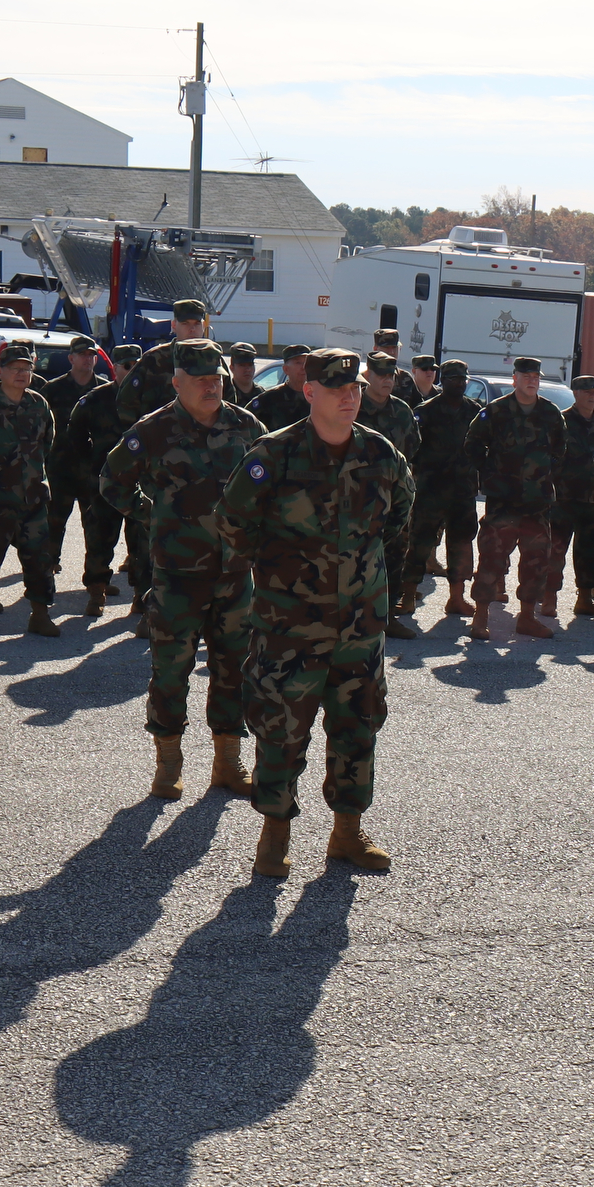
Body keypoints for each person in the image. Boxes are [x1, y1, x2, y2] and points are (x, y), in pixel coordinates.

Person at [216, 349, 409, 878]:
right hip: (290, 629)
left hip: (359, 630)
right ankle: (274, 834)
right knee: (281, 732)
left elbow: (398, 522)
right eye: (336, 387)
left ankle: (347, 834)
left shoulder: (381, 455)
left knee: (358, 726)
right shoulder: (273, 457)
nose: (350, 396)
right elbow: (233, 523)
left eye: (355, 388)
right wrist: (281, 575)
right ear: (309, 391)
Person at [98, 338, 265, 800]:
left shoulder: (246, 426)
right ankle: (168, 764)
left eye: (217, 379)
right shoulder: (152, 431)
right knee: (171, 671)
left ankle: (228, 763)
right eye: (201, 381)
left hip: (234, 578)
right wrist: (154, 515)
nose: (212, 388)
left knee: (234, 669)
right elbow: (112, 482)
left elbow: (273, 486)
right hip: (176, 577)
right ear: (177, 383)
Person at [462, 354, 566, 640]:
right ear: (515, 379)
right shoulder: (496, 411)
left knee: (536, 561)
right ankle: (481, 615)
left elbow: (560, 450)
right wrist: (490, 475)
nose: (532, 382)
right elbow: (472, 444)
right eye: (527, 377)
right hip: (503, 502)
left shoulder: (550, 413)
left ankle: (527, 617)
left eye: (536, 378)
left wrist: (543, 477)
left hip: (536, 503)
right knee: (492, 558)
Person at [0, 340, 59, 637]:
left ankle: (40, 614)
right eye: (15, 368)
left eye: (26, 368)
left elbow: (48, 443)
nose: (21, 374)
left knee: (39, 558)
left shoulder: (38, 403)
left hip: (32, 497)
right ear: (0, 371)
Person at [68, 344, 146, 615]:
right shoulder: (96, 399)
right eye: (126, 366)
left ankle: (141, 595)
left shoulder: (150, 400)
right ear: (114, 369)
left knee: (142, 541)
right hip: (106, 482)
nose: (132, 370)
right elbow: (75, 434)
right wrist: (92, 464)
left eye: (136, 365)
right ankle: (96, 591)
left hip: (141, 483)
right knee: (100, 538)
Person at [356, 353, 424, 639]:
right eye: (381, 374)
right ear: (368, 375)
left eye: (390, 375)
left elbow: (413, 446)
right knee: (356, 555)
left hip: (392, 494)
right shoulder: (354, 406)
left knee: (395, 554)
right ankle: (352, 617)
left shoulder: (402, 410)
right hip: (357, 495)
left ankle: (387, 618)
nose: (386, 380)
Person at [408, 359, 481, 618]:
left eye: (462, 380)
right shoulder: (425, 411)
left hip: (463, 490)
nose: (458, 384)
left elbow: (483, 446)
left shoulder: (474, 411)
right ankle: (407, 595)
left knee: (461, 543)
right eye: (452, 379)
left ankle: (456, 598)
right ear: (443, 380)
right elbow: (412, 450)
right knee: (420, 541)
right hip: (431, 489)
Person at [41, 334, 106, 603]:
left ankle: (96, 582)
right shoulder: (53, 390)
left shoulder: (104, 391)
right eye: (82, 355)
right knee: (53, 524)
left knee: (96, 527)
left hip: (92, 472)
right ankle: (45, 575)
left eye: (92, 355)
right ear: (71, 358)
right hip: (60, 469)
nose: (88, 360)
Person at [555, 376, 594, 619]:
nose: (593, 396)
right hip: (564, 499)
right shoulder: (561, 420)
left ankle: (584, 599)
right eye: (587, 392)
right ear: (576, 393)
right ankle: (548, 598)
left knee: (591, 552)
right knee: (555, 551)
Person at [114, 298, 233, 425]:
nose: (192, 329)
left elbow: (230, 401)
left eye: (197, 323)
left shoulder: (214, 358)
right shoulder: (154, 358)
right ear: (174, 325)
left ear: (203, 326)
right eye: (185, 323)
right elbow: (126, 401)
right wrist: (143, 435)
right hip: (161, 436)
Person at [249, 344, 314, 433]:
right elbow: (245, 424)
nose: (303, 367)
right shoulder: (269, 399)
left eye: (306, 363)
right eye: (298, 362)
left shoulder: (318, 397)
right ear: (286, 369)